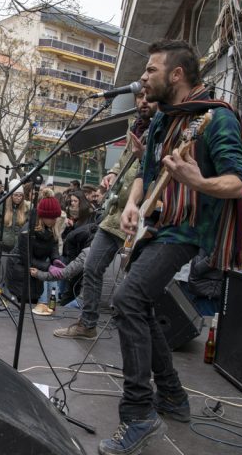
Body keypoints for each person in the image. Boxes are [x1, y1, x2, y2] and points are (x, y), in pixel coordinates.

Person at [98, 40, 242, 455]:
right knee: (141, 305)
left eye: (151, 70)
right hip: (159, 226)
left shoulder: (217, 119)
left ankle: (138, 414)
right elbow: (144, 175)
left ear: (176, 74)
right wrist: (133, 205)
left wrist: (197, 181)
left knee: (127, 300)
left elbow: (237, 182)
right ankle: (172, 396)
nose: (143, 78)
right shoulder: (163, 121)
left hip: (189, 230)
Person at [54, 91, 156, 341]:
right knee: (92, 266)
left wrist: (146, 157)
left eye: (149, 96)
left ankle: (145, 335)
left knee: (140, 282)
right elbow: (123, 161)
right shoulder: (135, 125)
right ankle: (88, 324)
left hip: (145, 214)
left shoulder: (165, 127)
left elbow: (165, 169)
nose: (143, 101)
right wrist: (112, 173)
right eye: (140, 96)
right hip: (116, 213)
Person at [5, 188, 64, 305]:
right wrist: (48, 267)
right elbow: (27, 258)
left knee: (33, 300)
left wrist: (55, 259)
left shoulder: (51, 228)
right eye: (52, 217)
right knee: (24, 303)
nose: (54, 220)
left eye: (55, 217)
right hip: (20, 270)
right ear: (43, 216)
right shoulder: (27, 231)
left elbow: (53, 246)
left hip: (36, 269)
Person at [0, 179, 30, 283]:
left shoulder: (26, 209)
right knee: (0, 277)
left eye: (20, 195)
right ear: (11, 195)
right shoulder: (1, 206)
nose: (18, 198)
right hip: (2, 248)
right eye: (16, 195)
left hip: (17, 250)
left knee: (13, 278)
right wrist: (1, 236)